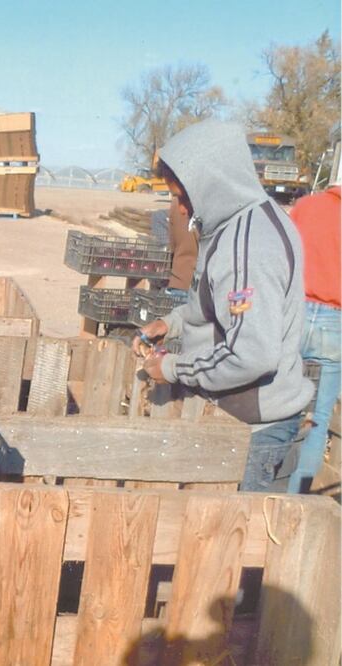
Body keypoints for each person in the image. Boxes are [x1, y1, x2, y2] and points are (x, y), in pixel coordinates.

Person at [134, 120, 314, 492]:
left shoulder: (250, 245)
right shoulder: (234, 226)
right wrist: (172, 323)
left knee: (237, 543)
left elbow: (251, 355)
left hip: (254, 430)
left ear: (211, 184)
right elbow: (215, 306)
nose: (180, 211)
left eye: (183, 197)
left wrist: (172, 367)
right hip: (240, 421)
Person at [286, 183, 340, 493]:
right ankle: (298, 493)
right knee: (319, 417)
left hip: (296, 311)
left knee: (281, 402)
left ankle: (267, 482)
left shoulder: (306, 206)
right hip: (334, 318)